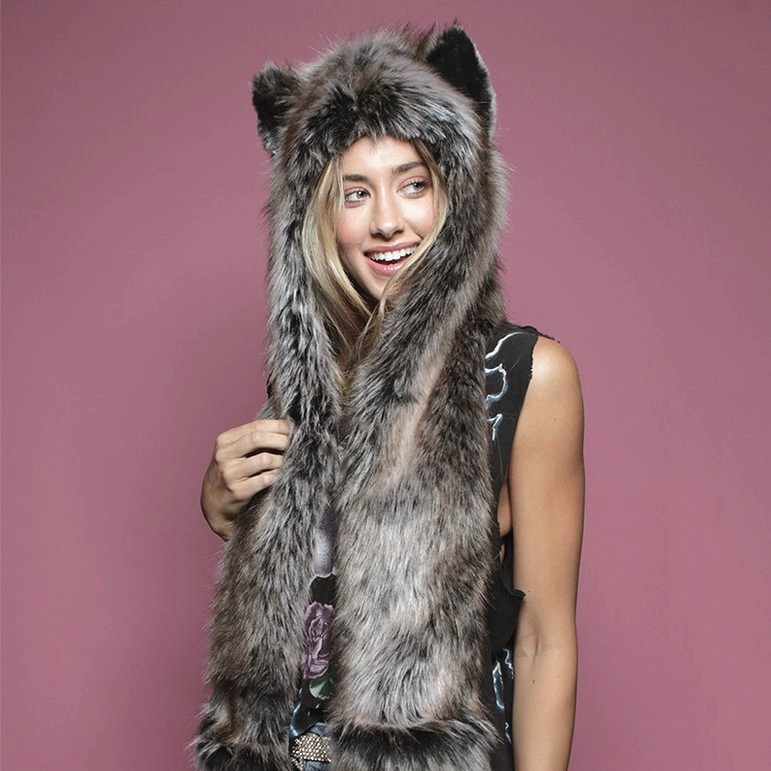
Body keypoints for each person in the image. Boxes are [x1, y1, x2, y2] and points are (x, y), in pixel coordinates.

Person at [192, 24, 584, 771]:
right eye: (355, 192)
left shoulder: (523, 377)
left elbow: (545, 642)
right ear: (317, 215)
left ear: (454, 193)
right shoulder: (305, 383)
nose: (386, 221)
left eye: (413, 184)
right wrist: (218, 503)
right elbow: (309, 593)